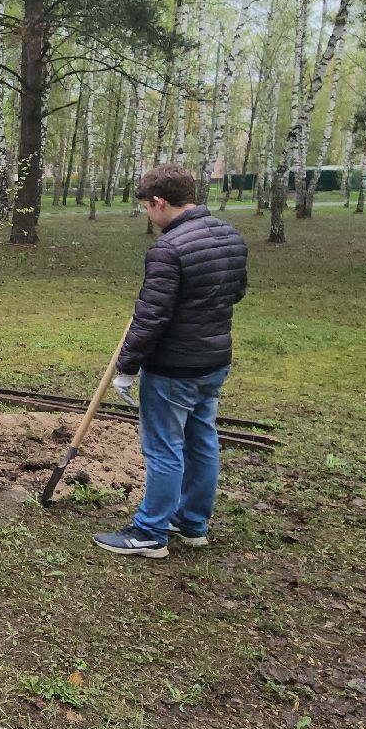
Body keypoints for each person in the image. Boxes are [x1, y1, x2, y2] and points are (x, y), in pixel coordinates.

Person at [93, 164, 248, 558]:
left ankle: (149, 531)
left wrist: (127, 368)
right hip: (213, 361)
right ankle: (192, 522)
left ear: (159, 202)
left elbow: (150, 318)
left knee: (164, 448)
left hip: (175, 366)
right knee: (202, 441)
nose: (149, 214)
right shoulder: (229, 235)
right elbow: (237, 292)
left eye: (147, 206)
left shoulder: (168, 248)